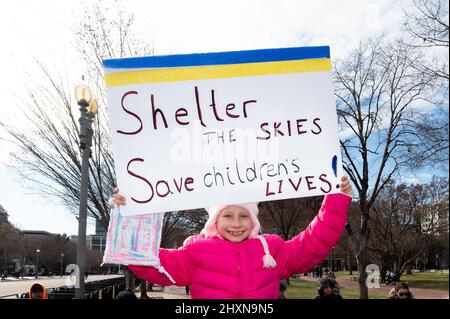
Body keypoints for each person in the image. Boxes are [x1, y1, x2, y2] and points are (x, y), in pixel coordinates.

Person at [110, 176, 352, 299]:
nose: (236, 224)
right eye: (227, 215)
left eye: (243, 216)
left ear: (254, 220)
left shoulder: (271, 249)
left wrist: (336, 199)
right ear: (215, 220)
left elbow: (313, 243)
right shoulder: (196, 251)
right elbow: (148, 262)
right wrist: (129, 215)